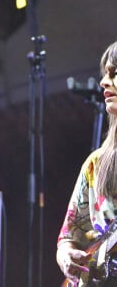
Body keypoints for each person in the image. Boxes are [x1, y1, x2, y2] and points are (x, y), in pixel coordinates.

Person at [57, 40, 117, 287]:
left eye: (115, 73)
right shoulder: (96, 164)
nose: (104, 82)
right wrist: (66, 257)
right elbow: (67, 238)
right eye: (105, 74)